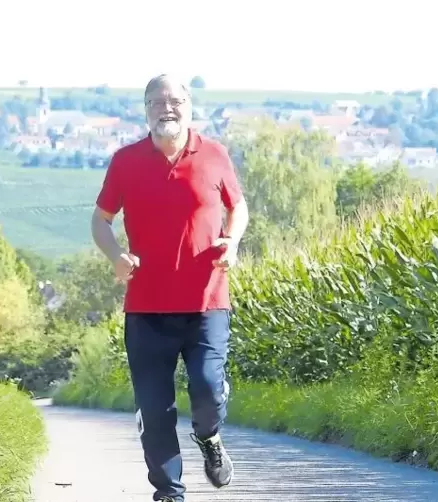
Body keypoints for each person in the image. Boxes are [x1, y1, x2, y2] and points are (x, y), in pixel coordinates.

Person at [90, 73, 249, 502]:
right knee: (155, 412)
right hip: (146, 309)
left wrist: (231, 243)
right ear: (146, 110)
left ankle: (209, 437)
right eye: (157, 101)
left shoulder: (214, 155)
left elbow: (239, 208)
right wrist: (116, 256)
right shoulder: (126, 161)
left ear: (189, 105)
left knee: (207, 388)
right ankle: (170, 493)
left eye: (175, 100)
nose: (167, 108)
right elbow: (100, 220)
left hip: (207, 303)